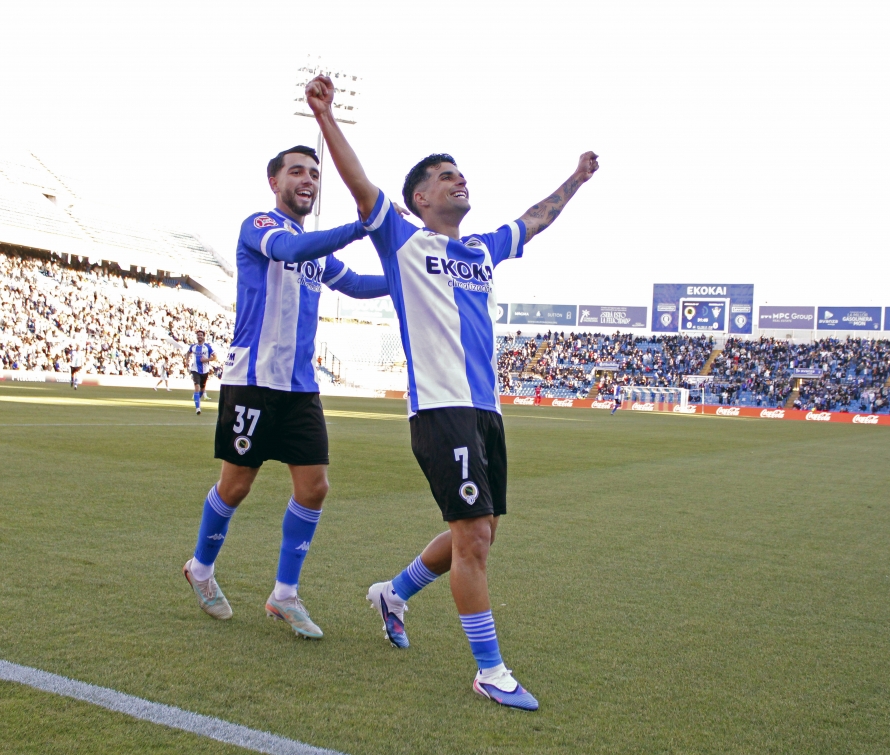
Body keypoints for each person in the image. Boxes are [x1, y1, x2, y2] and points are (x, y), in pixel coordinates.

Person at [307, 74, 598, 710]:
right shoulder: (402, 240)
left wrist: (575, 180)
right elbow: (361, 187)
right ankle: (490, 670)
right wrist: (327, 120)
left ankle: (394, 592)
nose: (458, 180)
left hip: (485, 413)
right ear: (418, 196)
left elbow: (535, 220)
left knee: (482, 532)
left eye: (461, 173)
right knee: (472, 540)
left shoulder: (482, 250)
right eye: (444, 176)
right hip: (441, 410)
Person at [181, 144, 390, 640]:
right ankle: (201, 569)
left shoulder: (318, 252)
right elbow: (291, 251)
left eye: (315, 174)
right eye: (297, 171)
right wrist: (366, 224)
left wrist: (411, 281)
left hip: (299, 387)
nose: (308, 179)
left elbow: (357, 284)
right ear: (274, 182)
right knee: (235, 486)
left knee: (314, 487)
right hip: (252, 381)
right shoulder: (260, 226)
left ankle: (283, 595)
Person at [186, 331, 215, 414]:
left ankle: (197, 399)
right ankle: (198, 408)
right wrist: (187, 360)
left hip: (205, 371)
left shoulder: (207, 347)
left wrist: (206, 360)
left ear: (203, 337)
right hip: (195, 370)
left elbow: (215, 357)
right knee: (197, 388)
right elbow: (188, 352)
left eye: (201, 335)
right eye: (198, 335)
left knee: (202, 389)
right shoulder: (193, 346)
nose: (199, 336)